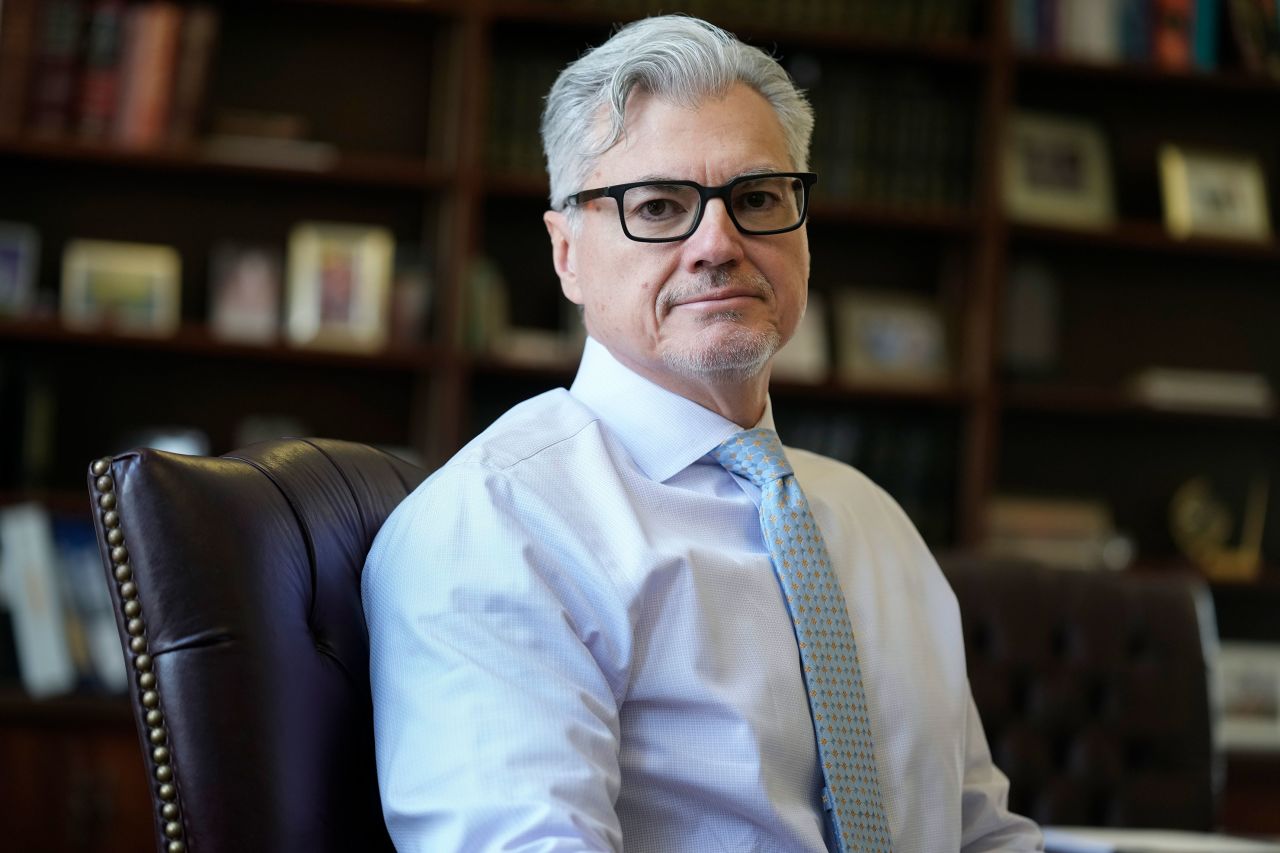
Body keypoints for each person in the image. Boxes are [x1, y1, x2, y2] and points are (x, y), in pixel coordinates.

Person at [363, 14, 1043, 852]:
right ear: (566, 252)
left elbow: (982, 833)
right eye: (657, 206)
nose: (717, 244)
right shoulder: (499, 527)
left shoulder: (874, 522)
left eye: (757, 199)